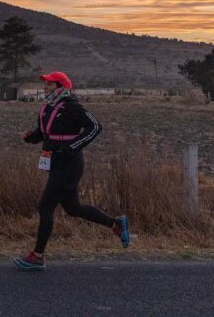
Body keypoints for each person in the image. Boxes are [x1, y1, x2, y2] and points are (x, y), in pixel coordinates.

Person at [13, 71, 130, 271]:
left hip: (70, 164)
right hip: (55, 162)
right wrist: (30, 138)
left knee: (45, 208)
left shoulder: (72, 107)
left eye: (49, 85)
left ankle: (37, 256)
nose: (45, 88)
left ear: (60, 87)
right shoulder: (47, 108)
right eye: (45, 84)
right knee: (73, 208)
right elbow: (44, 133)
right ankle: (115, 224)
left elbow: (95, 127)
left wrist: (73, 146)